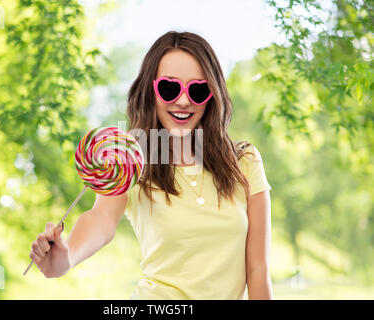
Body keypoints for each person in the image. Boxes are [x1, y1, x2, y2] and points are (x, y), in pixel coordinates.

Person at [29, 31, 273, 300]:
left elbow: (258, 269)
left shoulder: (244, 161)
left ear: (211, 94)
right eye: (169, 88)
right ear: (150, 91)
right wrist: (67, 256)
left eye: (197, 90)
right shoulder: (132, 159)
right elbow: (101, 218)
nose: (183, 101)